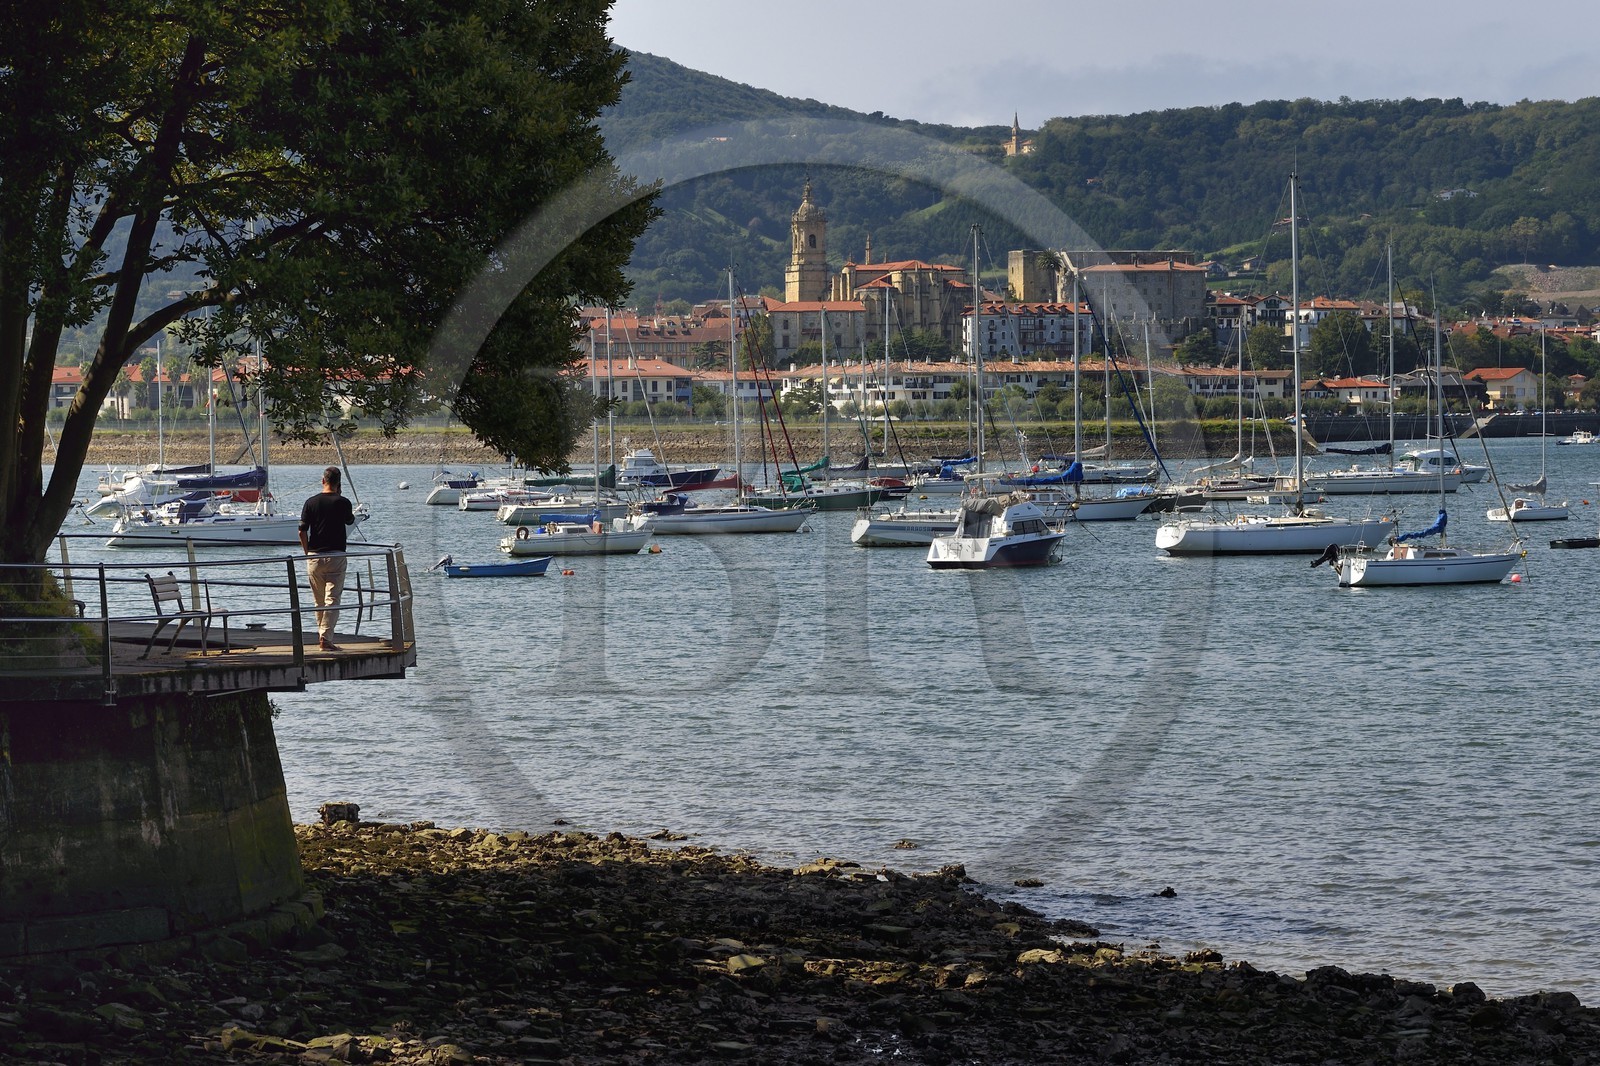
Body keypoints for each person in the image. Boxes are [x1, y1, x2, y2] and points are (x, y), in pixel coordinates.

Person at [298, 466, 356, 651]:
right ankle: (326, 638)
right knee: (333, 599)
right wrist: (340, 495)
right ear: (339, 484)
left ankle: (322, 636)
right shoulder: (343, 502)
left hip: (314, 556)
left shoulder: (310, 502)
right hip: (336, 555)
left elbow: (302, 530)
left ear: (323, 481)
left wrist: (307, 552)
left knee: (319, 601)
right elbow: (350, 520)